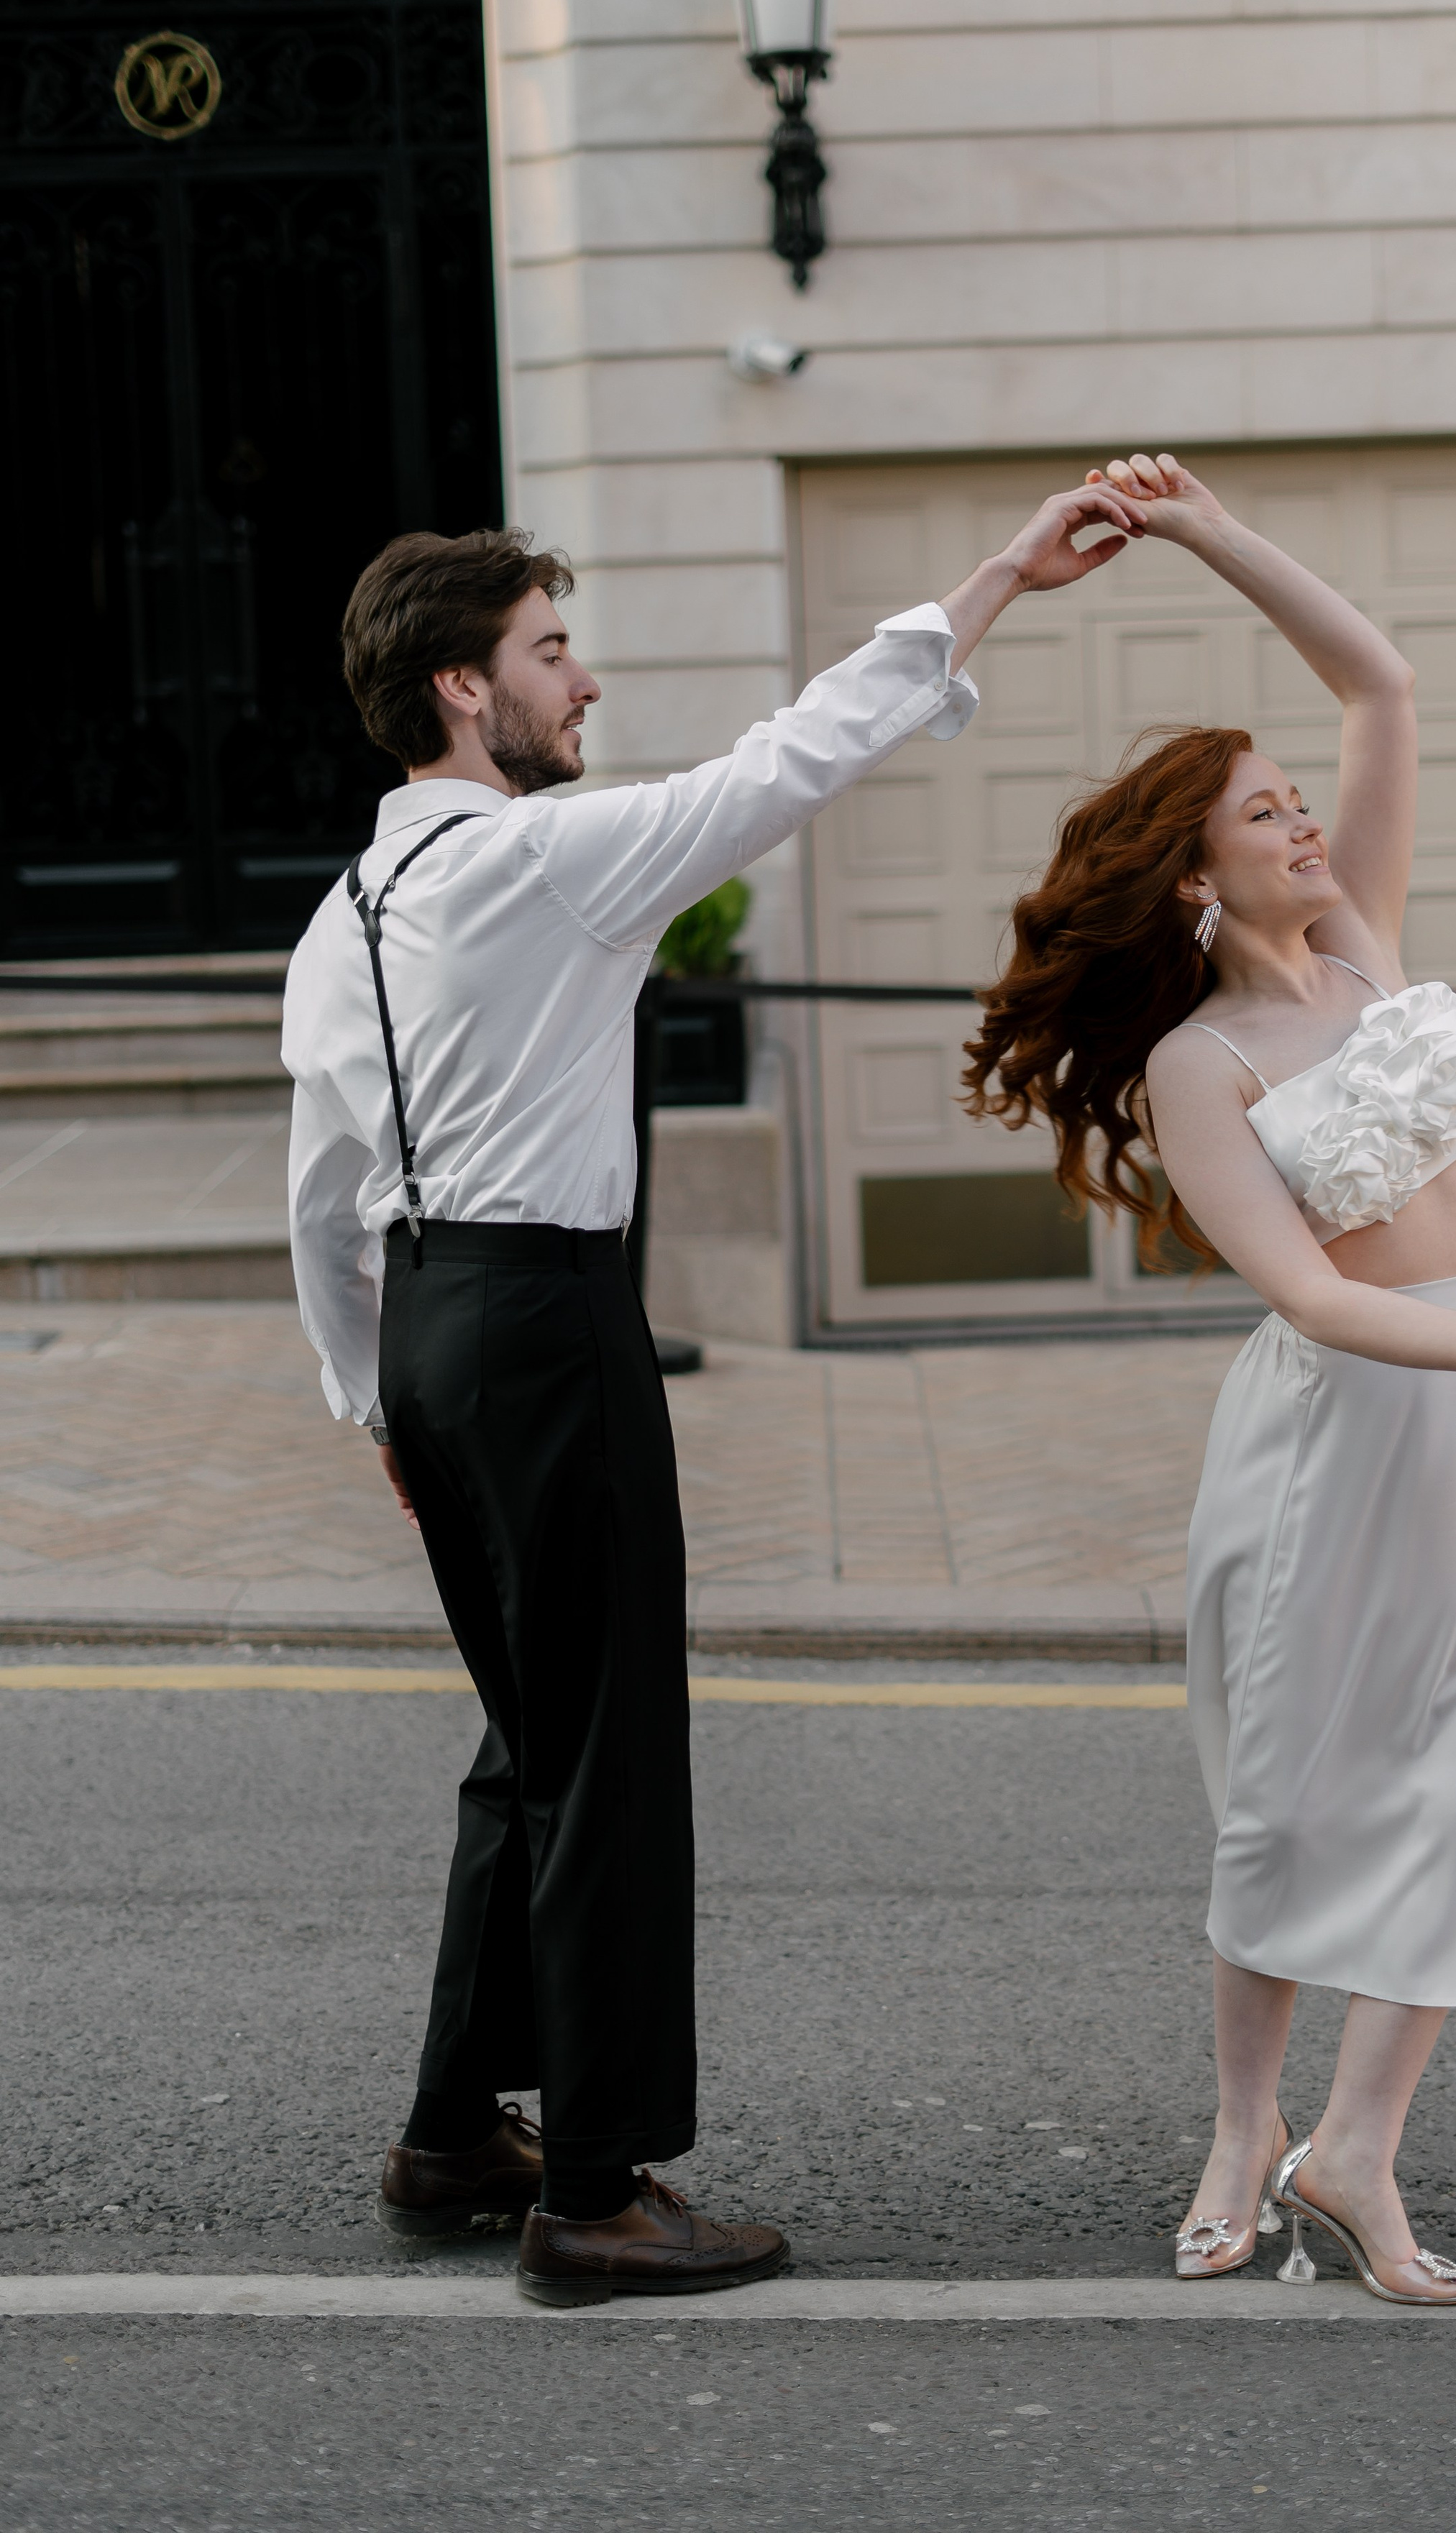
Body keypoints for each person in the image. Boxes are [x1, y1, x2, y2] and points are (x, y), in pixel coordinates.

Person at [281, 480, 1144, 2306]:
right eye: (550, 650)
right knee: (603, 1752)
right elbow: (790, 762)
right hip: (542, 1316)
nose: (580, 684)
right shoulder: (538, 861)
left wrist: (373, 1402)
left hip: (433, 1321)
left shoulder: (350, 899)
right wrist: (996, 577)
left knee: (530, 1738)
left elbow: (320, 1183)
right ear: (460, 688)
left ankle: (454, 2133)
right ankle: (593, 2190)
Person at [965, 451, 1456, 2306]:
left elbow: (1383, 685)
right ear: (1191, 870)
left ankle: (1354, 2149)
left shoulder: (1363, 950)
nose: (1302, 828)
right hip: (1346, 1431)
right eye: (1264, 815)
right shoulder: (1206, 1062)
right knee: (1296, 1786)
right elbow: (1311, 1298)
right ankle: (1237, 2125)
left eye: (1292, 803)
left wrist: (1196, 530)